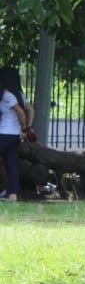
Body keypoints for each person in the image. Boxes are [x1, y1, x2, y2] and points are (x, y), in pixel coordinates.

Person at [0, 72, 29, 201]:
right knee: (10, 163)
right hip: (13, 135)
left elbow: (21, 112)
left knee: (10, 163)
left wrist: (24, 127)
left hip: (4, 134)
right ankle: (13, 194)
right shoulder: (16, 94)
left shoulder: (7, 95)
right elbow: (29, 110)